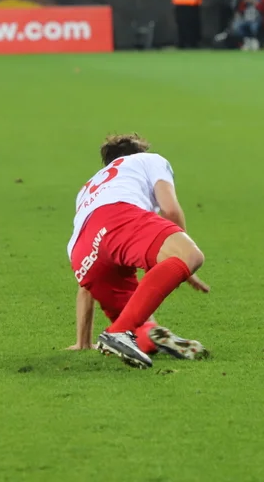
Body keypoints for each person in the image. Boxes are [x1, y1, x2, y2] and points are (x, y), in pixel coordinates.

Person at [67, 134, 210, 368]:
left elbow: (86, 286)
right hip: (117, 218)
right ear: (139, 153)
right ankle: (118, 332)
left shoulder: (90, 188)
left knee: (139, 320)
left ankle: (145, 336)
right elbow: (170, 209)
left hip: (81, 252)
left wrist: (83, 342)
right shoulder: (148, 161)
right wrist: (183, 261)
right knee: (192, 256)